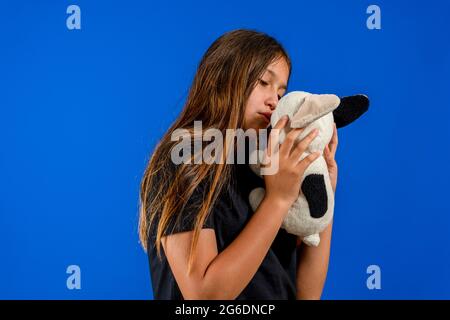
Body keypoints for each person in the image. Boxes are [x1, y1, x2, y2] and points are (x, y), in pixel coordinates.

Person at [138, 29, 338, 300]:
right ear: (223, 79)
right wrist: (277, 200)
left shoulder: (269, 165)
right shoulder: (186, 158)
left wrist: (324, 195)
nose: (274, 101)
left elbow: (306, 294)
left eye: (281, 92)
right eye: (263, 82)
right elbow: (204, 297)